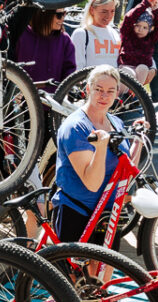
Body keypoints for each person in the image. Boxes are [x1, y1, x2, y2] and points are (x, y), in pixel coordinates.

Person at [52, 66, 130, 243]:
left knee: (106, 269)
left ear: (117, 92)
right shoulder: (76, 127)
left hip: (109, 211)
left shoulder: (116, 122)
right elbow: (92, 184)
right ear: (88, 89)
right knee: (71, 271)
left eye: (110, 91)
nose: (104, 96)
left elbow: (127, 169)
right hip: (78, 209)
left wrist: (139, 140)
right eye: (98, 90)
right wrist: (101, 148)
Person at [117, 0, 158, 89]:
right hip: (126, 66)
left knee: (143, 68)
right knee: (128, 73)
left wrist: (155, 10)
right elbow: (128, 18)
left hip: (141, 69)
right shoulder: (128, 34)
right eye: (138, 26)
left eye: (145, 27)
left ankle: (135, 94)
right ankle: (120, 96)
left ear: (149, 29)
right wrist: (144, 4)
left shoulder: (151, 39)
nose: (140, 29)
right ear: (134, 25)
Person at [71, 0, 122, 69]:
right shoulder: (81, 34)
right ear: (92, 10)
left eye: (112, 11)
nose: (109, 16)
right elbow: (76, 68)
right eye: (104, 11)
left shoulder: (115, 33)